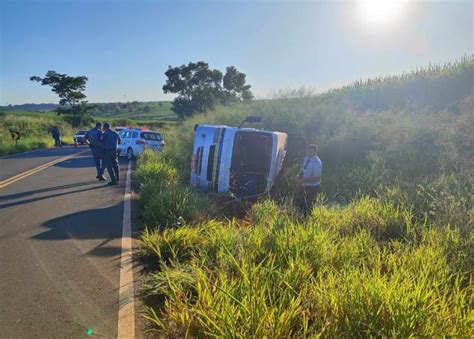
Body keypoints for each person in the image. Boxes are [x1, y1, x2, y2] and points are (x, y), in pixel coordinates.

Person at [297, 144, 322, 213]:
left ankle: (308, 220)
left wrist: (304, 180)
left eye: (310, 152)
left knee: (308, 206)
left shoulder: (317, 162)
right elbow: (303, 168)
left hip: (312, 188)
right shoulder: (306, 158)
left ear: (315, 152)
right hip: (303, 185)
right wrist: (299, 175)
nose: (309, 153)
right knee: (300, 204)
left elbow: (318, 178)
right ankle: (299, 219)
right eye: (308, 152)